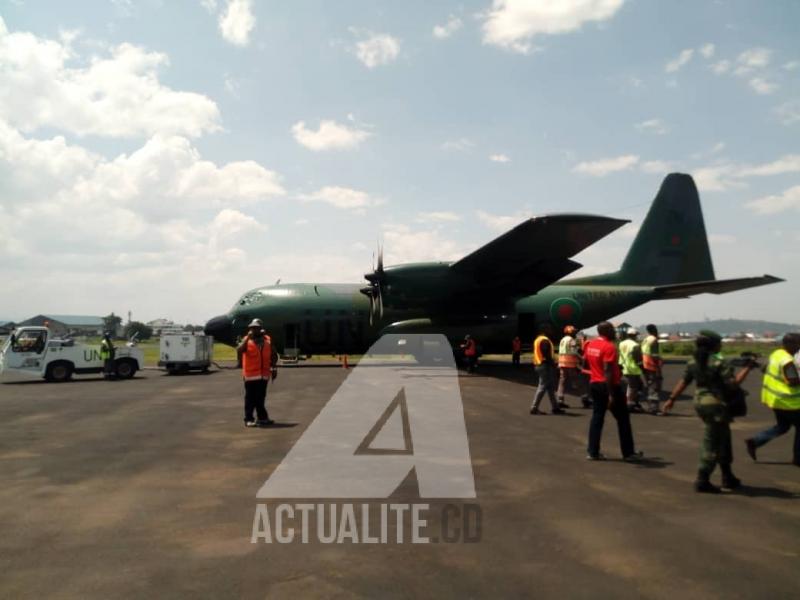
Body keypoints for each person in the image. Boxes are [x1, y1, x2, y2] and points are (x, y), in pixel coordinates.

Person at [663, 330, 755, 493]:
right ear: (713, 345)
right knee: (712, 441)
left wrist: (671, 399)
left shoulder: (693, 362)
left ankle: (728, 476)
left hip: (701, 402)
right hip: (716, 405)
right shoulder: (719, 363)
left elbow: (683, 382)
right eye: (719, 342)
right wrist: (747, 368)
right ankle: (702, 479)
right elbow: (733, 384)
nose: (721, 345)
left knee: (724, 437)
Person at [584, 321, 641, 461]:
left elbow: (586, 364)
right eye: (611, 329)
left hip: (594, 383)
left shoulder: (590, 344)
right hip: (609, 386)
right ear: (606, 331)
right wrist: (611, 394)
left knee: (597, 418)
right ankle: (628, 453)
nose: (614, 332)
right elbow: (608, 370)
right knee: (623, 419)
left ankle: (593, 451)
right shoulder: (608, 347)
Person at [745, 333, 800, 467]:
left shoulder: (776, 354)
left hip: (775, 399)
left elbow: (764, 369)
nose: (799, 348)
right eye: (798, 344)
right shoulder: (787, 361)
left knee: (783, 426)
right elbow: (793, 381)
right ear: (790, 344)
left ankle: (755, 441)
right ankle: (798, 459)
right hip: (789, 402)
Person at [237, 318, 279, 428]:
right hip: (250, 376)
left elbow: (273, 355)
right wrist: (247, 339)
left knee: (260, 398)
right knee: (250, 398)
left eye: (256, 328)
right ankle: (249, 419)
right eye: (252, 328)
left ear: (261, 329)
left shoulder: (267, 340)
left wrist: (274, 368)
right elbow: (239, 350)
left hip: (264, 375)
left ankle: (262, 418)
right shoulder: (247, 340)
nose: (254, 330)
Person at [530, 323, 564, 415]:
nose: (551, 331)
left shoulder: (538, 339)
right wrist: (553, 365)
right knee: (542, 386)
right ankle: (534, 407)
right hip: (544, 365)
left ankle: (555, 407)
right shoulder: (544, 340)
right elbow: (546, 354)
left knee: (550, 387)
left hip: (539, 364)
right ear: (545, 330)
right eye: (549, 329)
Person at [557, 325, 590, 409]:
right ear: (570, 332)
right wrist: (581, 358)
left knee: (562, 382)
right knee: (578, 382)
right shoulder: (572, 340)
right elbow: (574, 352)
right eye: (574, 331)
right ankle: (585, 399)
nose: (575, 333)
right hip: (570, 364)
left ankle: (560, 400)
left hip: (562, 364)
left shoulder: (562, 340)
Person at [618, 328, 648, 413]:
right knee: (633, 387)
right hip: (633, 369)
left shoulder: (621, 343)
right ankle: (630, 404)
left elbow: (621, 355)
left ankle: (634, 402)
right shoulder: (635, 345)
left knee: (637, 386)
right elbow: (638, 359)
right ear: (634, 335)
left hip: (625, 367)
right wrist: (643, 369)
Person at [641, 324, 663, 410]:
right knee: (655, 386)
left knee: (650, 385)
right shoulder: (654, 340)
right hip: (652, 365)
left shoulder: (646, 339)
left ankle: (650, 405)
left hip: (645, 364)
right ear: (654, 330)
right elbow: (654, 355)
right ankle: (654, 408)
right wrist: (658, 368)